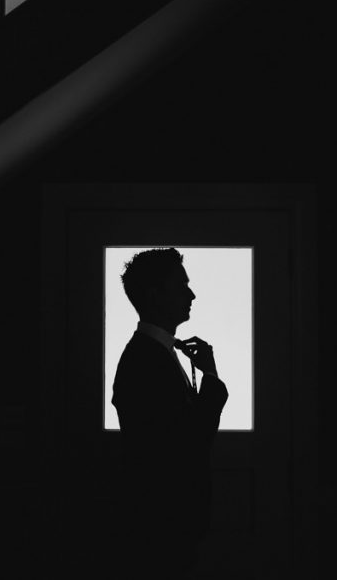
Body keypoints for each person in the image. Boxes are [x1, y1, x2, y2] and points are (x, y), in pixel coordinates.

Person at [111, 248, 229, 579]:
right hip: (161, 523)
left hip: (165, 521)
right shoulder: (144, 362)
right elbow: (188, 442)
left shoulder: (154, 355)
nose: (191, 294)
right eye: (181, 286)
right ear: (154, 294)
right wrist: (213, 383)